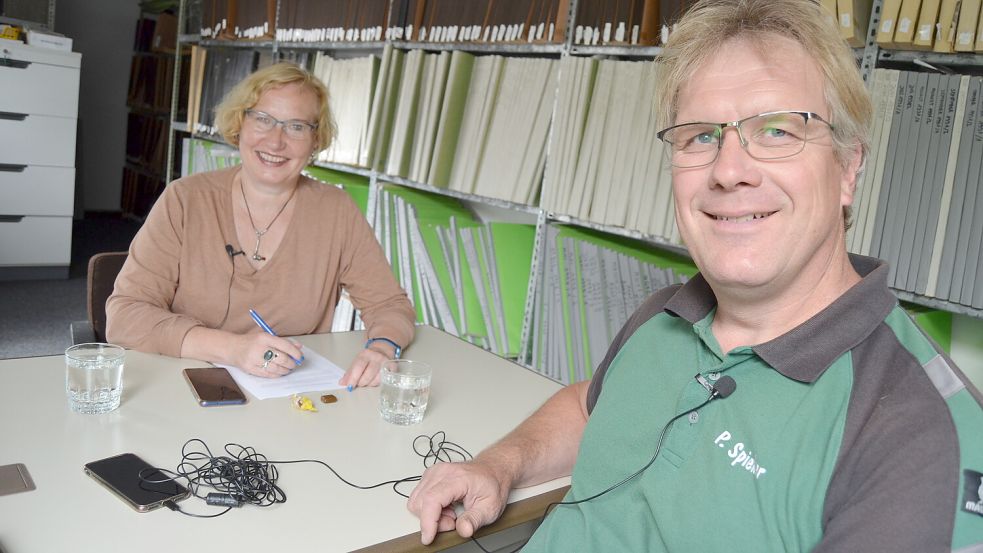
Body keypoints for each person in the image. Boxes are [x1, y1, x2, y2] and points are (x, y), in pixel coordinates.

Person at [407, 0, 983, 551]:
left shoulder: (919, 434)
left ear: (848, 167)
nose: (728, 170)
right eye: (701, 136)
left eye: (778, 129)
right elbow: (592, 408)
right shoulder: (663, 315)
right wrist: (498, 466)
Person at [106, 62, 415, 387]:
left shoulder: (336, 211)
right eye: (263, 119)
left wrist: (382, 347)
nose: (276, 141)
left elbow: (389, 304)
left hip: (289, 394)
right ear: (240, 123)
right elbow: (125, 315)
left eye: (296, 127)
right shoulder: (185, 199)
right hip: (181, 385)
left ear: (315, 141)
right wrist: (233, 349)